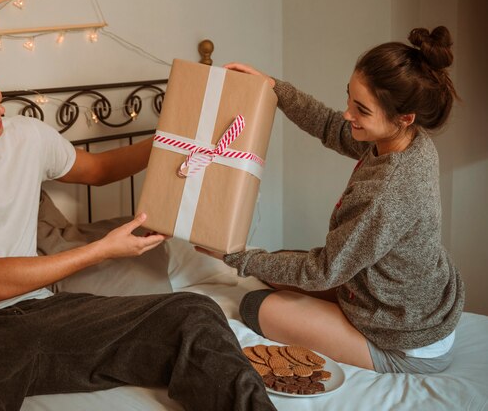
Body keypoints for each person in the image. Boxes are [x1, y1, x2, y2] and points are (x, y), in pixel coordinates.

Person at [0, 38, 276, 411]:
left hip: (47, 315)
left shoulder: (26, 136)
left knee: (193, 311)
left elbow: (99, 169)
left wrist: (178, 138)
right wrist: (103, 248)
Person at [199, 26, 465, 374]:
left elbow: (322, 270)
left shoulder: (388, 192)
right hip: (400, 298)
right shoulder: (407, 141)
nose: (347, 114)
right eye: (349, 99)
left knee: (254, 306)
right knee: (274, 265)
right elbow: (330, 126)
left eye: (361, 110)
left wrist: (233, 257)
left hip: (404, 337)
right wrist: (275, 88)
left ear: (404, 117)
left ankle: (388, 357)